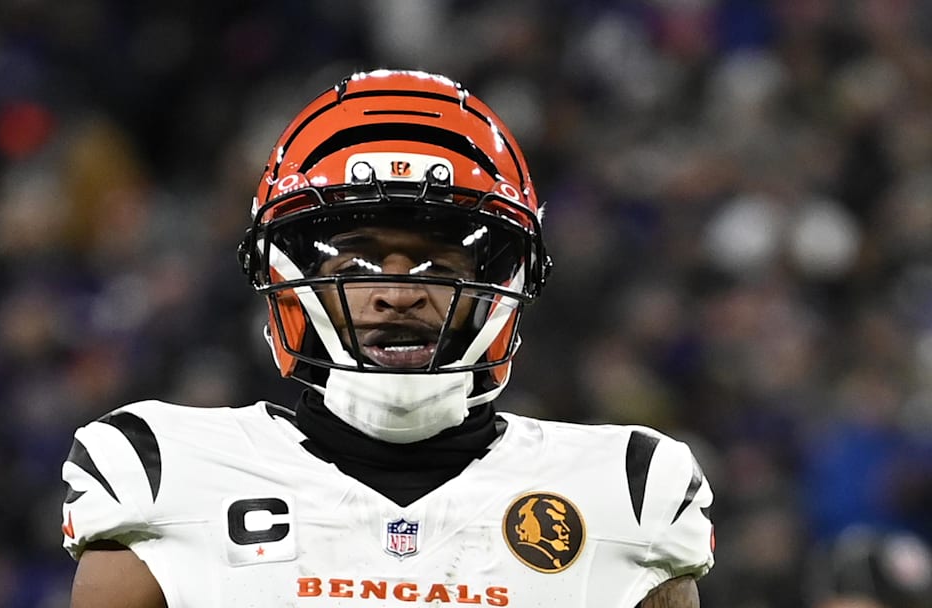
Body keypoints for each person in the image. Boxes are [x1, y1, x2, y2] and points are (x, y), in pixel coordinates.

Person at [61, 69, 715, 607]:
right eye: (354, 265)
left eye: (438, 263)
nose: (397, 292)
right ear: (291, 279)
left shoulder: (627, 490)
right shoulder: (159, 471)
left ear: (501, 281)